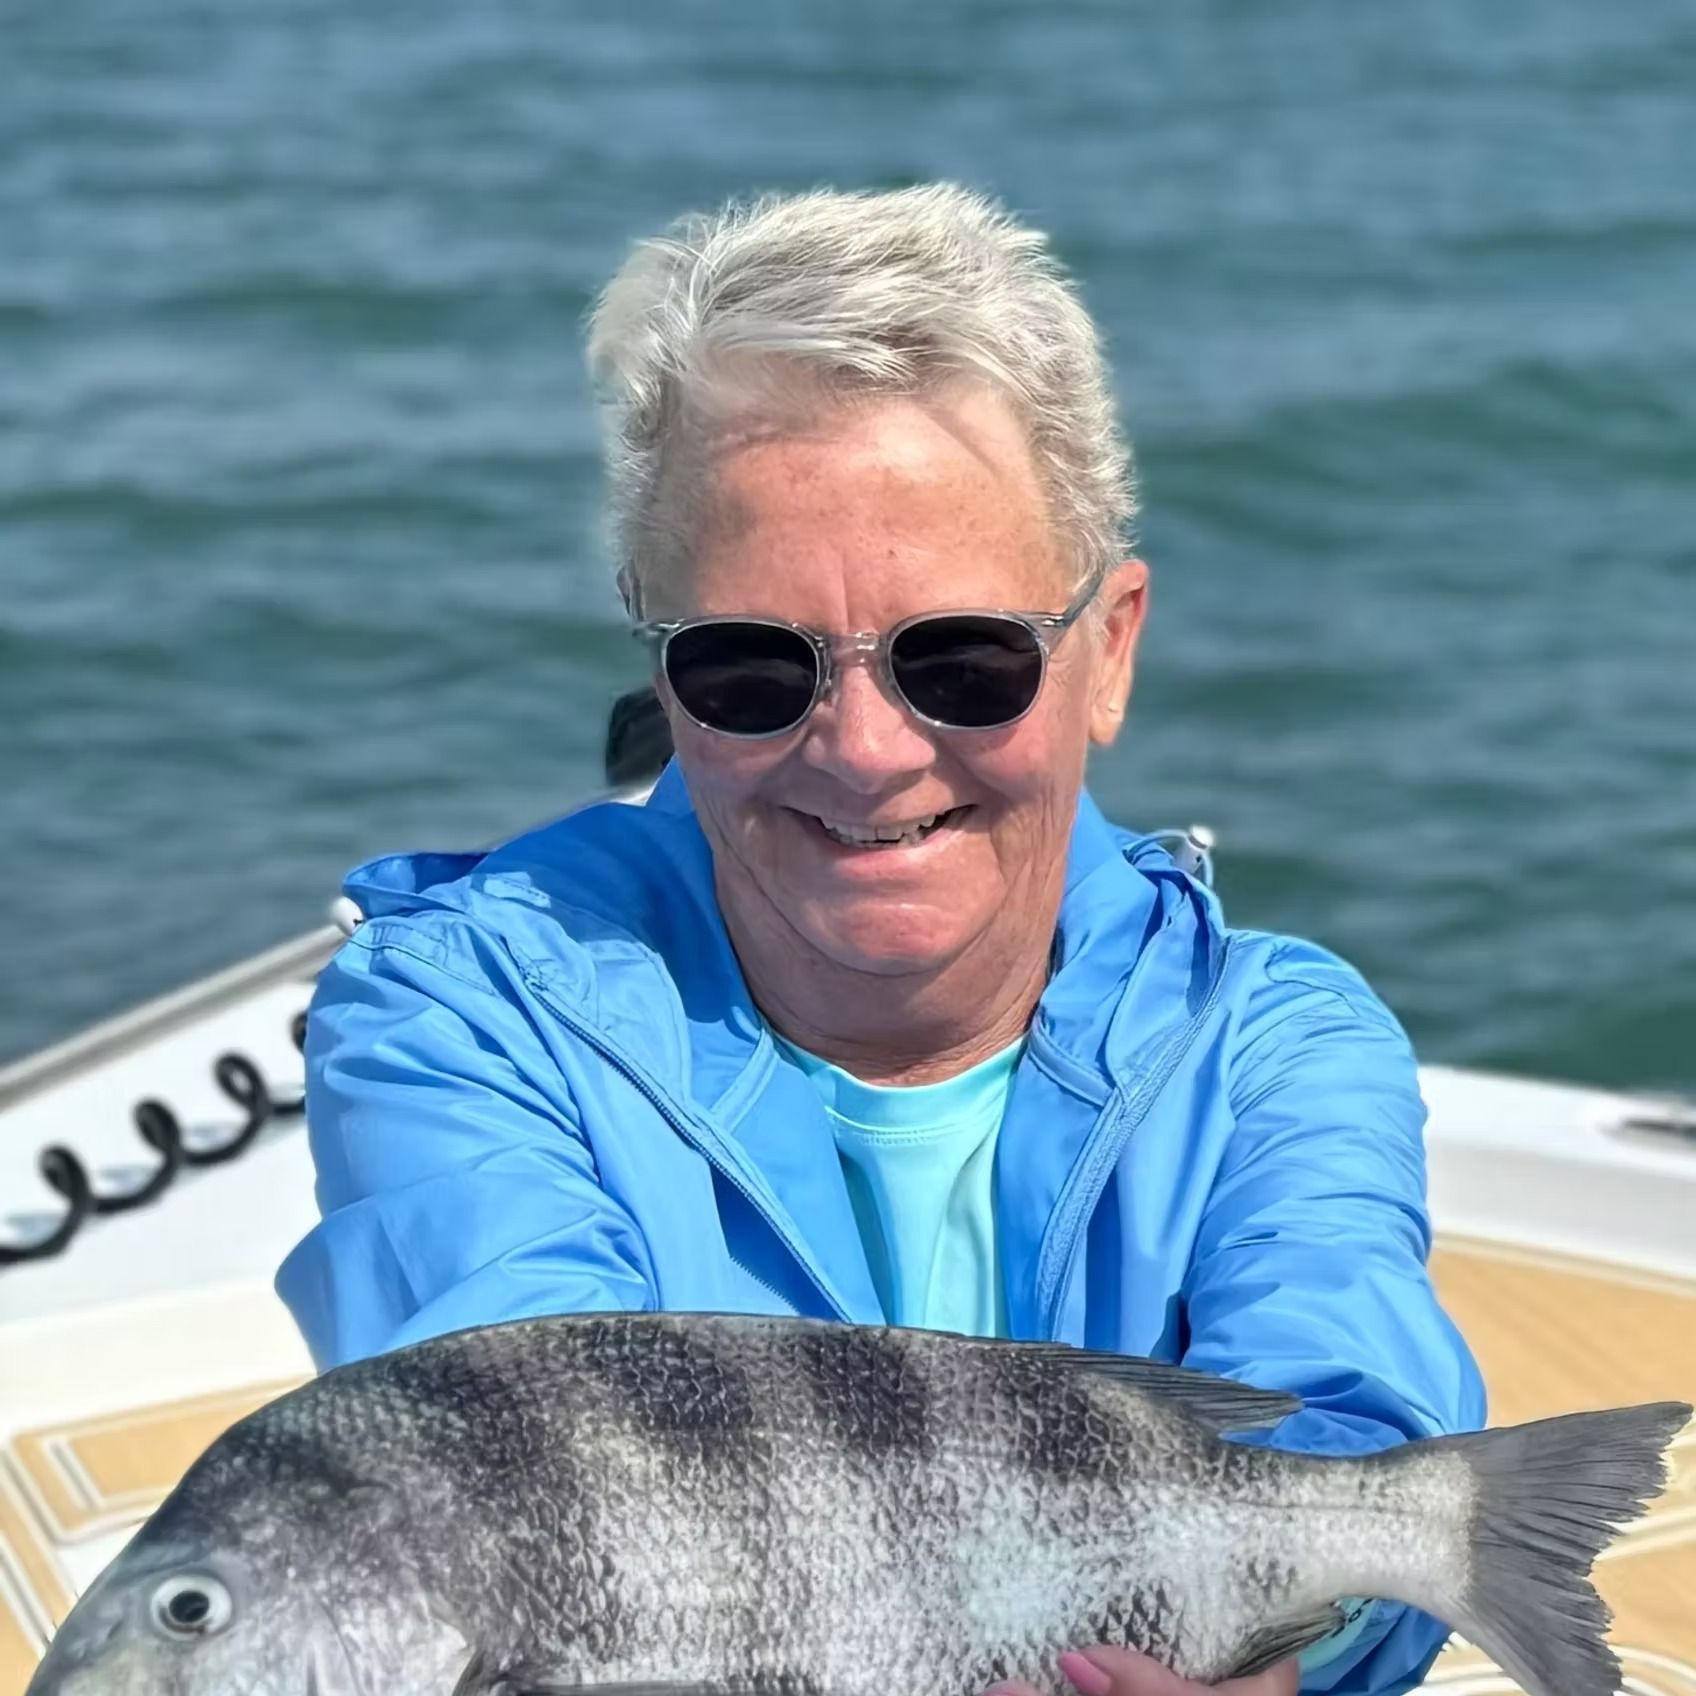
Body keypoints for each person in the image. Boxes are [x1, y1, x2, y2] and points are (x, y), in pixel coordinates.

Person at [278, 184, 1484, 1696]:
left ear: (1107, 652)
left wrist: (1293, 1657)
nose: (861, 750)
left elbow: (1362, 1448)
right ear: (663, 674)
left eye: (963, 662)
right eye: (749, 669)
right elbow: (505, 1457)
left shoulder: (1274, 1045)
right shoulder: (454, 1012)